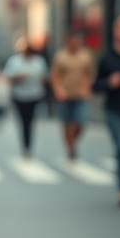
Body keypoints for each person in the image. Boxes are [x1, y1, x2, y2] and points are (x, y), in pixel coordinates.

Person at [93, 14, 120, 206]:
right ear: (115, 32)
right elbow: (95, 86)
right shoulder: (107, 58)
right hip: (113, 111)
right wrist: (108, 82)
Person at [50, 31, 94, 160]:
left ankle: (72, 142)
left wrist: (86, 88)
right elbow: (55, 75)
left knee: (80, 123)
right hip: (65, 95)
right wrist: (58, 89)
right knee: (66, 123)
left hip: (79, 95)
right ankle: (70, 148)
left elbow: (89, 74)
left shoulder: (85, 56)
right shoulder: (60, 56)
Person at [3, 38, 49, 157]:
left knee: (30, 121)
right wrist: (18, 77)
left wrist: (43, 82)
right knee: (24, 122)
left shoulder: (39, 61)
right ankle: (26, 146)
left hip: (35, 95)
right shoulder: (14, 61)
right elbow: (6, 77)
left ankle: (28, 146)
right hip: (19, 95)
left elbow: (45, 78)